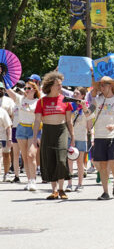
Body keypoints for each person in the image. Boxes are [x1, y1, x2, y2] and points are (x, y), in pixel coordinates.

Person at [30, 72, 75, 200]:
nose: (60, 87)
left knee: (61, 159)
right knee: (49, 160)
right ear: (50, 86)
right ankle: (54, 190)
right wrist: (34, 138)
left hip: (61, 130)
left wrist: (72, 136)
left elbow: (69, 121)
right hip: (47, 131)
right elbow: (37, 121)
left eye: (61, 85)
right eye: (58, 85)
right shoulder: (42, 102)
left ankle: (61, 189)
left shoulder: (65, 100)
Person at [87, 76, 114, 200]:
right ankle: (105, 192)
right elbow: (89, 114)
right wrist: (84, 108)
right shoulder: (96, 100)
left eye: (104, 85)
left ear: (110, 86)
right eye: (100, 85)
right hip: (99, 136)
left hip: (113, 136)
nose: (101, 87)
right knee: (103, 165)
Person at [7, 81, 40, 189]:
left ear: (34, 90)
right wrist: (3, 77)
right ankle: (29, 180)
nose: (26, 90)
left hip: (32, 129)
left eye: (29, 88)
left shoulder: (38, 101)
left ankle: (33, 180)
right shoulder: (20, 99)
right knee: (25, 156)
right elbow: (9, 91)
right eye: (25, 88)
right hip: (21, 128)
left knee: (31, 155)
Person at [66, 87, 91, 192]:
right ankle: (69, 183)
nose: (74, 95)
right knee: (69, 160)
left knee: (80, 162)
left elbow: (90, 118)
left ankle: (80, 183)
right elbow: (67, 121)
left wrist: (84, 106)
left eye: (77, 93)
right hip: (69, 136)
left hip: (81, 136)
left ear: (82, 95)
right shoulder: (69, 105)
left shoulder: (89, 106)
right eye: (74, 93)